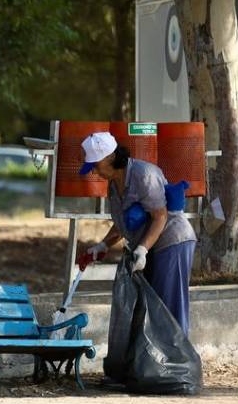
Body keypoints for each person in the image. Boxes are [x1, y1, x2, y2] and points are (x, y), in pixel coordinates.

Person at [74, 131, 197, 334]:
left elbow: (160, 216)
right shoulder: (113, 185)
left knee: (168, 309)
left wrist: (142, 249)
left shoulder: (144, 174)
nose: (93, 172)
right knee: (150, 308)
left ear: (110, 157)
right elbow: (124, 223)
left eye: (95, 165)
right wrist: (103, 245)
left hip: (172, 242)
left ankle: (179, 363)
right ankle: (156, 363)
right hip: (150, 246)